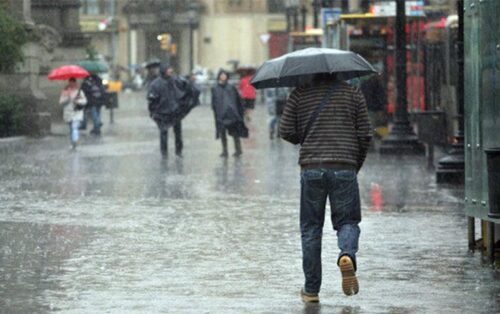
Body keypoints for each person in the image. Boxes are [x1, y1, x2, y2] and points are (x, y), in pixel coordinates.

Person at [279, 73, 372, 303]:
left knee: (311, 228)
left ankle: (311, 290)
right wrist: (354, 163)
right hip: (344, 165)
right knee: (348, 221)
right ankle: (346, 254)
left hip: (311, 167)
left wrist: (308, 135)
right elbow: (365, 134)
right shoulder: (353, 93)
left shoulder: (299, 93)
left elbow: (285, 130)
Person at [147, 64, 184, 158]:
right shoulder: (156, 83)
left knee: (178, 133)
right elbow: (151, 99)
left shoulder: (175, 81)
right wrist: (154, 111)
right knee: (163, 133)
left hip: (175, 111)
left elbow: (182, 91)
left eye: (171, 69)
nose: (170, 71)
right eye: (168, 69)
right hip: (163, 112)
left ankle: (178, 151)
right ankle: (164, 153)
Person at [211, 69, 248, 158]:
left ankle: (238, 150)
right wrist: (216, 111)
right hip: (221, 114)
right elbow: (214, 101)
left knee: (235, 133)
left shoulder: (231, 87)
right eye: (221, 75)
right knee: (223, 133)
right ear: (219, 76)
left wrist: (239, 110)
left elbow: (237, 100)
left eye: (224, 75)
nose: (223, 77)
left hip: (231, 114)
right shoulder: (215, 88)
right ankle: (224, 151)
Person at [59, 77, 87, 150]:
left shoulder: (79, 91)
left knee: (74, 127)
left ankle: (75, 141)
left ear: (75, 83)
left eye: (73, 83)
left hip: (77, 112)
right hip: (68, 113)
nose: (71, 84)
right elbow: (61, 102)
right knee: (71, 129)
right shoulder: (65, 91)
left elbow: (84, 101)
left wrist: (77, 101)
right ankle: (72, 142)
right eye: (70, 82)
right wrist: (67, 99)